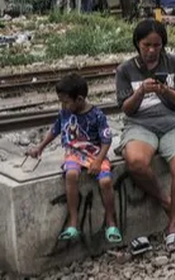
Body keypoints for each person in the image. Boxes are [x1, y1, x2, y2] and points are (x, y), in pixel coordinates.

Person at [115, 19, 175, 253]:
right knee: (136, 161)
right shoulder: (125, 70)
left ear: (163, 45)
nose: (151, 50)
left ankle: (172, 228)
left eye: (156, 45)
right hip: (140, 125)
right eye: (146, 45)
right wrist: (140, 92)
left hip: (173, 124)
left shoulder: (174, 63)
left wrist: (165, 90)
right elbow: (127, 109)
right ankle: (166, 202)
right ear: (137, 44)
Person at [26, 74, 121, 244]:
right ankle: (74, 222)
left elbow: (106, 140)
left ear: (79, 99)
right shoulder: (64, 113)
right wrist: (40, 147)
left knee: (106, 182)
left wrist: (98, 161)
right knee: (71, 174)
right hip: (74, 153)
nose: (63, 105)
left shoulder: (97, 115)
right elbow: (55, 130)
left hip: (95, 154)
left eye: (65, 101)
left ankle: (110, 221)